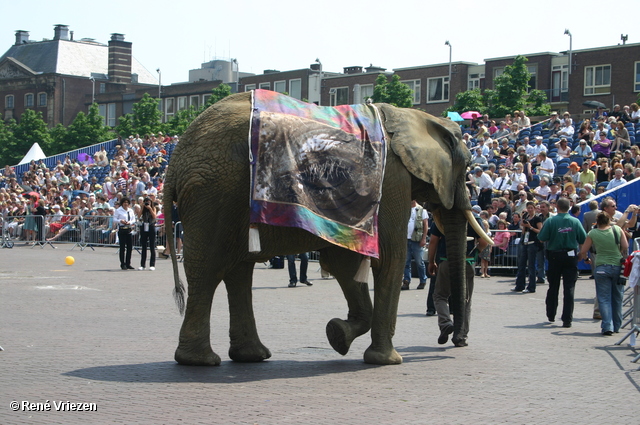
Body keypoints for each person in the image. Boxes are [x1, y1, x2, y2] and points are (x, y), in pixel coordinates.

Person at [428, 211, 487, 347]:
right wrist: (475, 252)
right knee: (465, 300)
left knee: (440, 295)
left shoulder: (442, 217)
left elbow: (433, 241)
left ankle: (445, 323)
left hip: (446, 260)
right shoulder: (474, 219)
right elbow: (484, 241)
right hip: (467, 261)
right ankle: (461, 335)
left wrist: (431, 261)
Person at [537, 198, 587, 328]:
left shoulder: (551, 221)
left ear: (557, 207)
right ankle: (567, 319)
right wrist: (582, 252)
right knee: (569, 288)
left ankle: (551, 314)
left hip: (554, 255)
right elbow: (583, 238)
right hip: (570, 255)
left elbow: (541, 238)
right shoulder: (575, 221)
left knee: (553, 286)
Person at [578, 212, 628, 335]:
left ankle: (607, 326)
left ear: (597, 221)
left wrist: (586, 259)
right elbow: (625, 245)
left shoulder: (593, 233)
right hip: (617, 265)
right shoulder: (617, 229)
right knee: (617, 297)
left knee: (604, 298)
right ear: (609, 220)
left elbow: (584, 250)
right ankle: (617, 326)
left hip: (601, 266)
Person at [513, 201, 544, 293]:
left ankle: (531, 287)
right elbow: (523, 231)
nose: (530, 210)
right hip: (525, 242)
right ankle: (519, 285)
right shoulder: (526, 217)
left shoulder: (537, 218)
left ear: (534, 208)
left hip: (533, 243)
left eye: (531, 208)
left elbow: (540, 231)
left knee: (531, 266)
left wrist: (530, 227)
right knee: (521, 264)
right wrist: (523, 226)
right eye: (528, 208)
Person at [402, 200, 429, 290]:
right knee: (406, 262)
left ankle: (423, 280)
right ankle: (406, 281)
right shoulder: (405, 209)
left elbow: (425, 225)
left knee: (419, 262)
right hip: (406, 239)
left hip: (417, 240)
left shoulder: (422, 210)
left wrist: (424, 238)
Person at [114, 197, 136, 270]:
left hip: (129, 229)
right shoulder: (118, 210)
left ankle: (128, 263)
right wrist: (121, 221)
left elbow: (133, 219)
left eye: (127, 202)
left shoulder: (130, 210)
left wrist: (130, 222)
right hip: (122, 229)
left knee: (129, 247)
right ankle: (122, 263)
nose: (126, 204)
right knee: (122, 247)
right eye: (124, 202)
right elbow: (114, 219)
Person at [138, 197, 157, 271]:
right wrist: (143, 208)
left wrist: (150, 208)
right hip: (144, 226)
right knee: (144, 246)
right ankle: (142, 264)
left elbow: (154, 216)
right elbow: (139, 216)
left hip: (151, 226)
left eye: (148, 201)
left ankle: (152, 264)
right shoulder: (143, 208)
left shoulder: (153, 208)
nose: (147, 203)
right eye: (146, 201)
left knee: (152, 246)